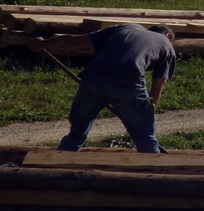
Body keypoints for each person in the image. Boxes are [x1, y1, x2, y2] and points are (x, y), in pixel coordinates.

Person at [30, 22, 176, 153]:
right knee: (145, 139)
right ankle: (153, 174)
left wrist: (43, 43)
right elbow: (158, 86)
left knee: (76, 134)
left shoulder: (125, 27)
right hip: (129, 85)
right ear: (167, 35)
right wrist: (143, 116)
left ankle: (56, 169)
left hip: (92, 81)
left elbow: (75, 40)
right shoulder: (166, 44)